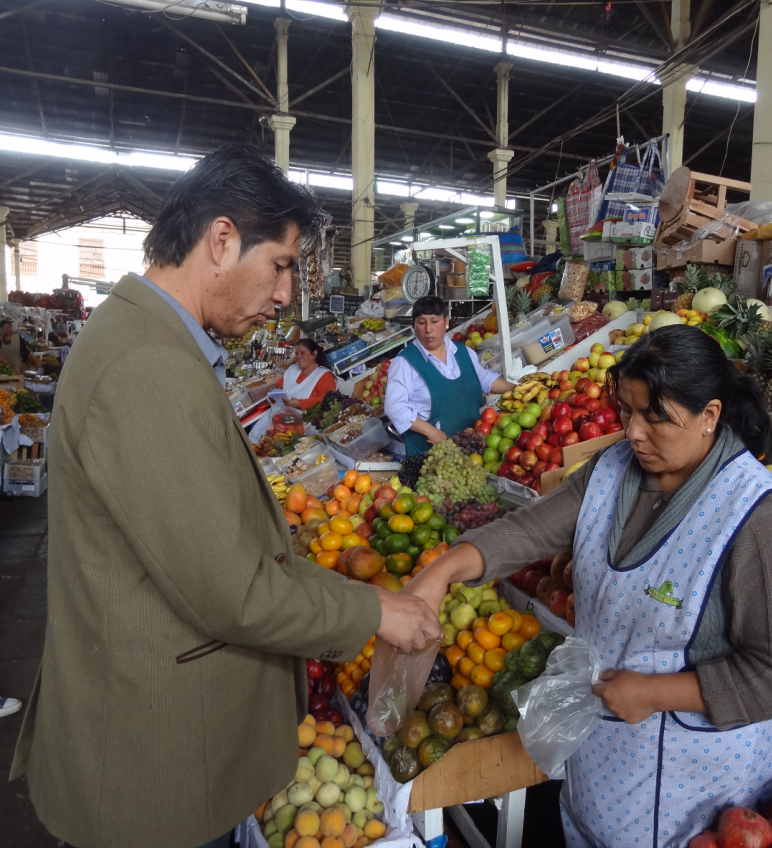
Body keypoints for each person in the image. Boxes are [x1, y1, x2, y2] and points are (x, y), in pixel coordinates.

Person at [9, 144, 441, 848]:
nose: (283, 296)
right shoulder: (148, 366)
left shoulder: (142, 338)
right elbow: (231, 591)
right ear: (221, 239)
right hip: (154, 769)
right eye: (281, 266)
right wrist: (372, 609)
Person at [406, 325, 772, 847]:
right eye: (627, 410)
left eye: (656, 418)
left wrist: (655, 692)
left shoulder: (760, 517)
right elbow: (530, 528)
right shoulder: (611, 471)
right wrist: (440, 571)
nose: (633, 433)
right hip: (604, 767)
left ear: (710, 416)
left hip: (700, 799)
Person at [384, 296, 516, 454]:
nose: (428, 329)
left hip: (471, 445)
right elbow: (395, 408)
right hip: (430, 453)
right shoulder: (404, 363)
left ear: (446, 321)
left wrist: (517, 389)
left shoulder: (463, 352)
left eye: (434, 321)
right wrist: (431, 432)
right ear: (414, 325)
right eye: (421, 322)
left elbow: (486, 380)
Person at [276, 337, 337, 410]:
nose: (299, 357)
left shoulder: (325, 376)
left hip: (305, 419)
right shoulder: (292, 369)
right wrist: (275, 388)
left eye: (302, 353)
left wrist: (299, 404)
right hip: (280, 414)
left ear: (314, 354)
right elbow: (279, 385)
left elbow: (326, 400)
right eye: (297, 353)